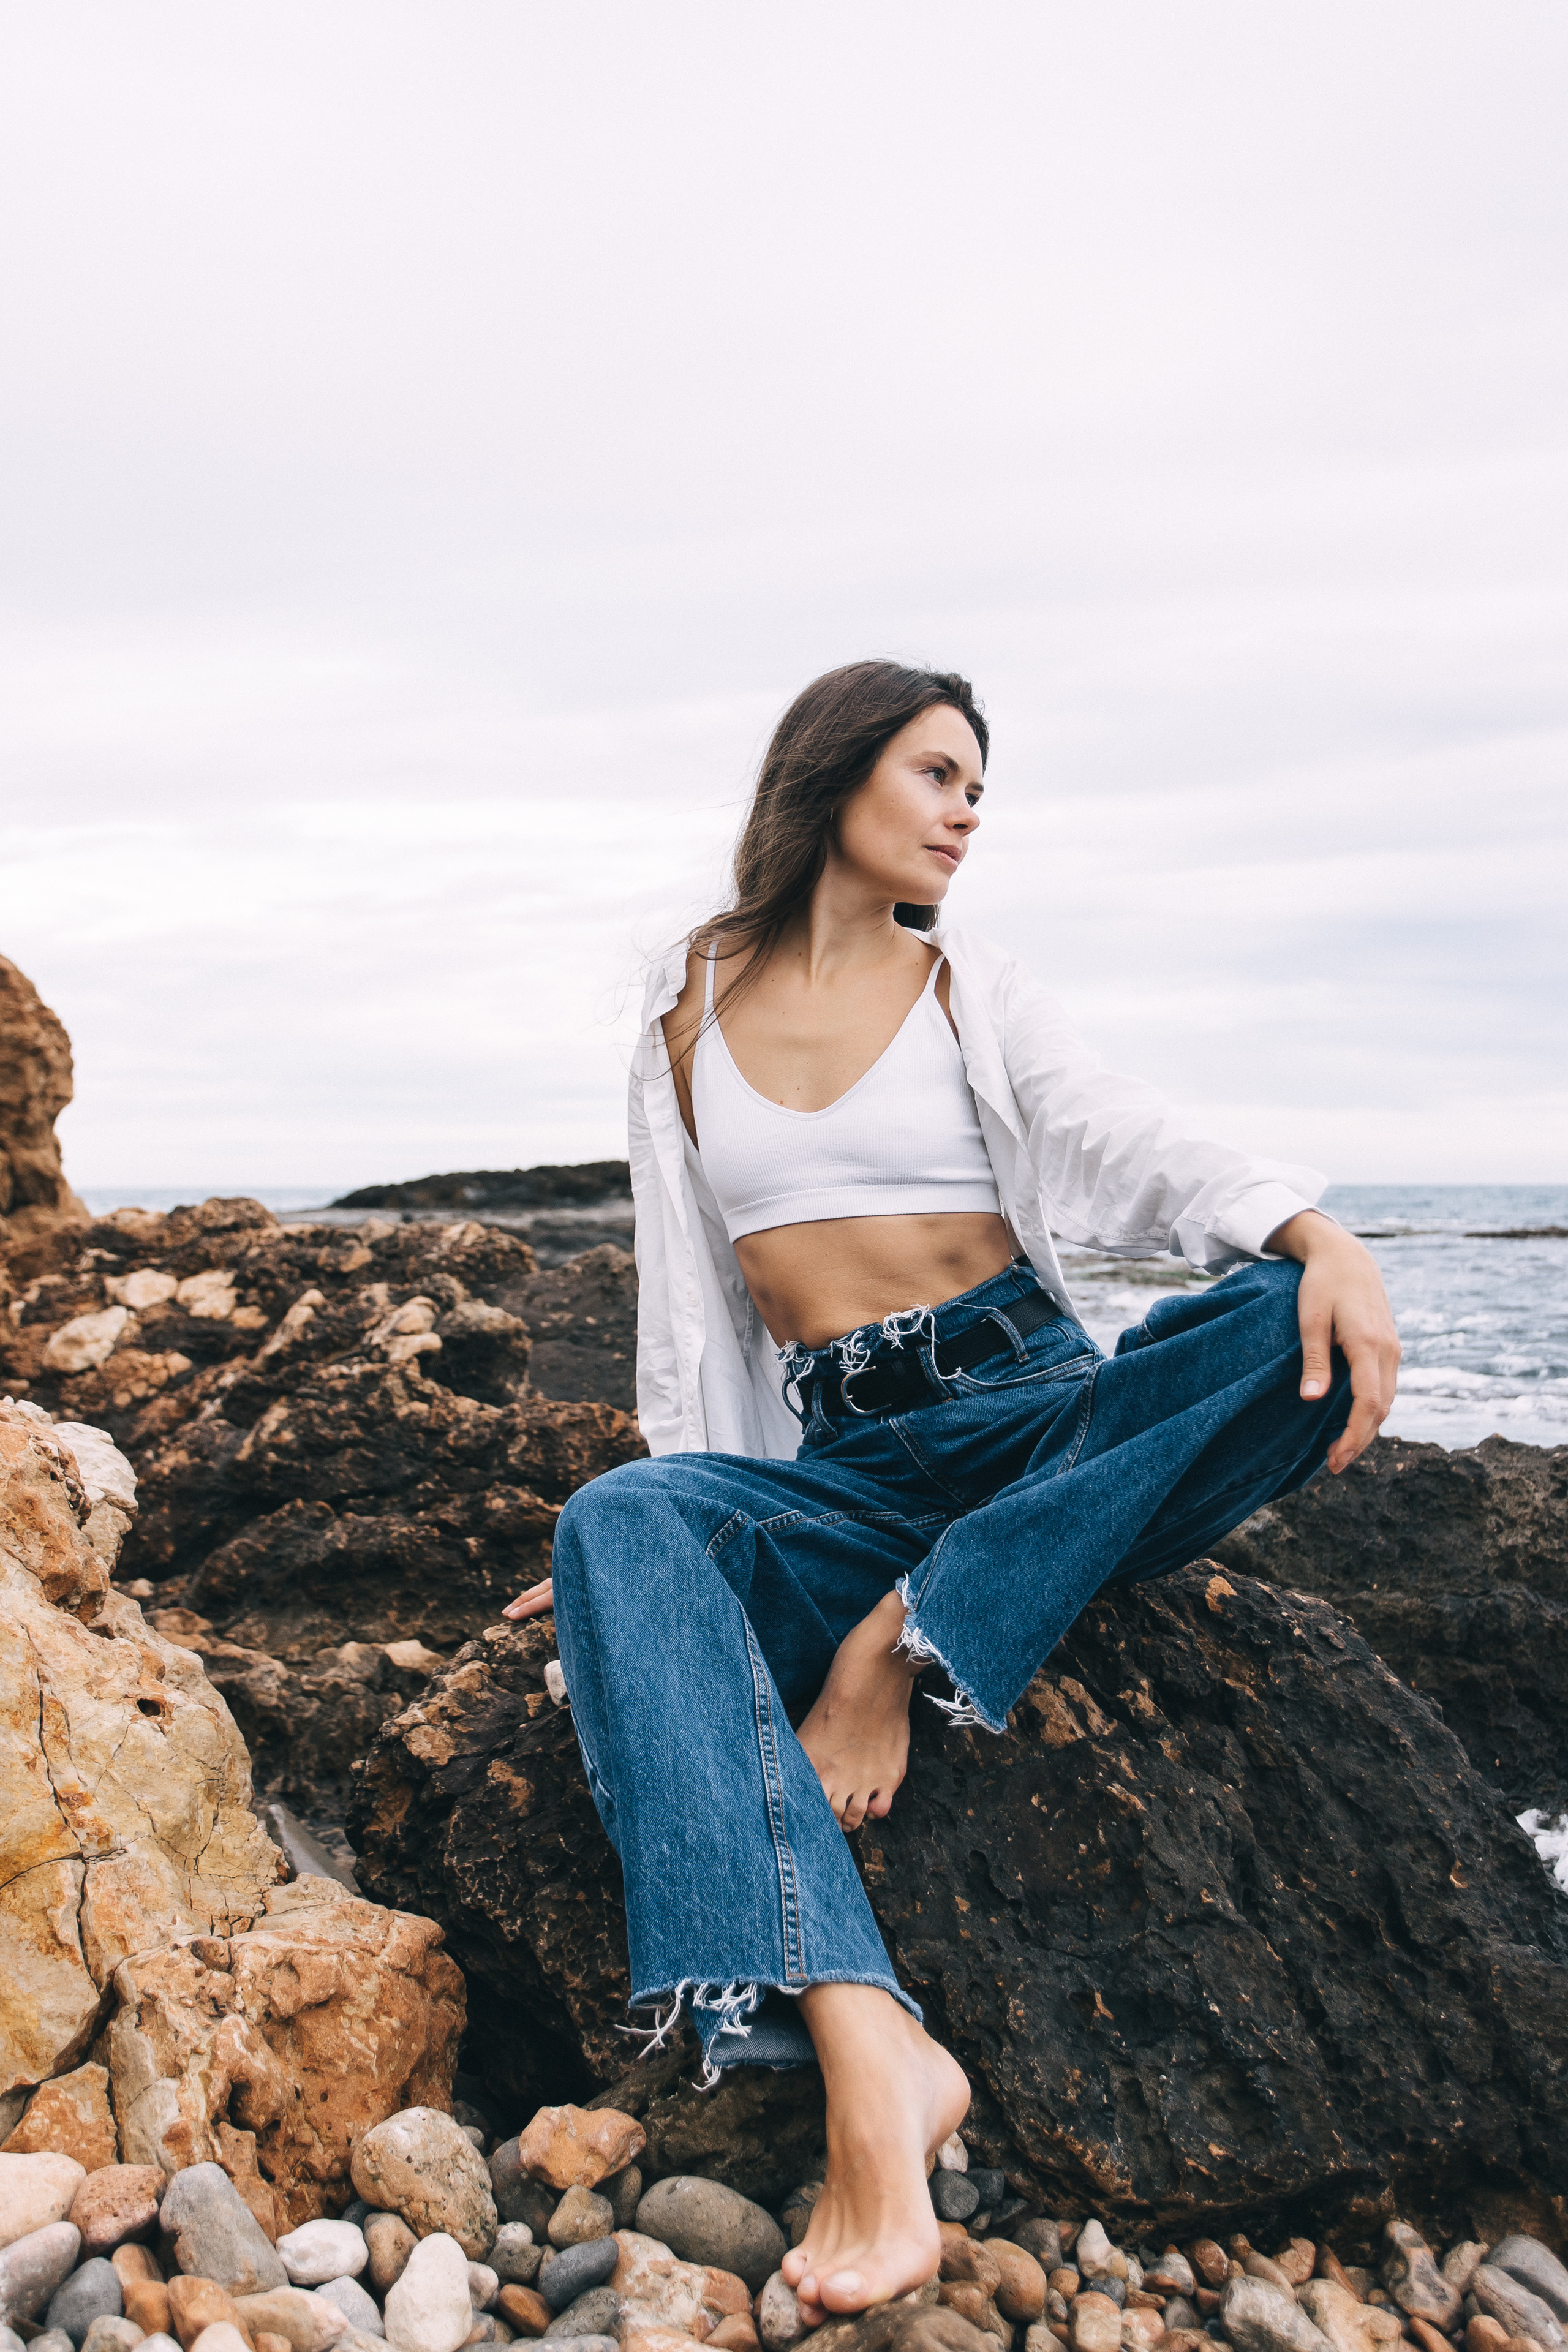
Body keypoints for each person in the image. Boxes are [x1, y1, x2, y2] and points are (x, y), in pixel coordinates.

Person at [503, 660, 1399, 2324]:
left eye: (980, 786)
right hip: (845, 1462)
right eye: (938, 773)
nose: (968, 811)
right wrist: (665, 1559)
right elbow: (690, 1305)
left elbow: (1117, 1135)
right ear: (835, 772)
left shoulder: (969, 985)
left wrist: (1313, 1233)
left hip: (1039, 1424)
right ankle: (871, 2045)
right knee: (618, 1525)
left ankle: (908, 1637)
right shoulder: (685, 1001)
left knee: (1288, 1321)